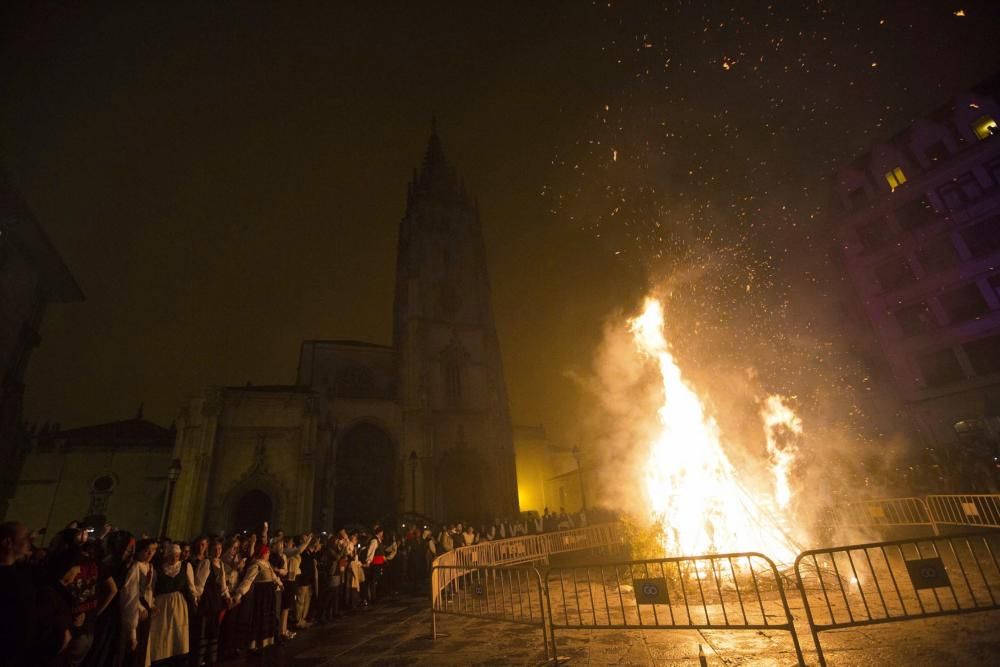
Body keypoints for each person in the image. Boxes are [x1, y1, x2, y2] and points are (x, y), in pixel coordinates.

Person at [81, 531, 134, 667]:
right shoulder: (108, 563)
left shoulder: (124, 567)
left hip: (110, 614)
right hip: (101, 611)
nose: (128, 554)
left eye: (130, 551)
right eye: (127, 549)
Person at [148, 543, 195, 665]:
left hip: (179, 605)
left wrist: (194, 599)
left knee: (177, 633)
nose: (174, 559)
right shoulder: (157, 569)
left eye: (177, 556)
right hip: (162, 604)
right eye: (172, 556)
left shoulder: (185, 566)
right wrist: (151, 603)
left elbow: (191, 586)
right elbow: (151, 588)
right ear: (167, 556)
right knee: (162, 633)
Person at [0, 521, 37, 667]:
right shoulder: (18, 584)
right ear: (8, 542)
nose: (29, 542)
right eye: (26, 538)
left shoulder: (20, 579)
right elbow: (23, 632)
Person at [232, 543, 280, 652]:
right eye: (267, 552)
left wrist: (279, 583)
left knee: (267, 618)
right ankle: (254, 643)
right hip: (261, 595)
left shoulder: (267, 564)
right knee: (259, 618)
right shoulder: (256, 565)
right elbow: (248, 580)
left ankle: (265, 641)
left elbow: (273, 576)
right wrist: (239, 593)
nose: (268, 554)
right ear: (262, 553)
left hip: (269, 595)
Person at [193, 538, 229, 666]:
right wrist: (197, 599)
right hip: (207, 599)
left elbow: (223, 585)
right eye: (215, 548)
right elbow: (199, 583)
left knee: (214, 629)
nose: (218, 551)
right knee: (204, 629)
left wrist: (227, 596)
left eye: (220, 549)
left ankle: (211, 658)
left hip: (216, 600)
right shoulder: (206, 563)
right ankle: (199, 659)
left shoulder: (222, 565)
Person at [120, 539, 156, 667]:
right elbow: (130, 593)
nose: (150, 553)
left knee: (142, 645)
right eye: (147, 550)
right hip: (136, 610)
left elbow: (149, 590)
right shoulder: (135, 566)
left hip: (146, 609)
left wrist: (150, 604)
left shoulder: (151, 567)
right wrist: (140, 609)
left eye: (153, 550)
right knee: (132, 646)